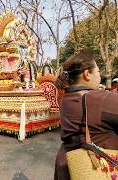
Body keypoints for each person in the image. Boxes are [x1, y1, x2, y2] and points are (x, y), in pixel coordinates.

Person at [54, 49, 118, 180]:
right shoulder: (100, 99)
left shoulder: (66, 98)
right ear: (87, 74)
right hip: (96, 169)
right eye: (98, 72)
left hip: (68, 166)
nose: (100, 76)